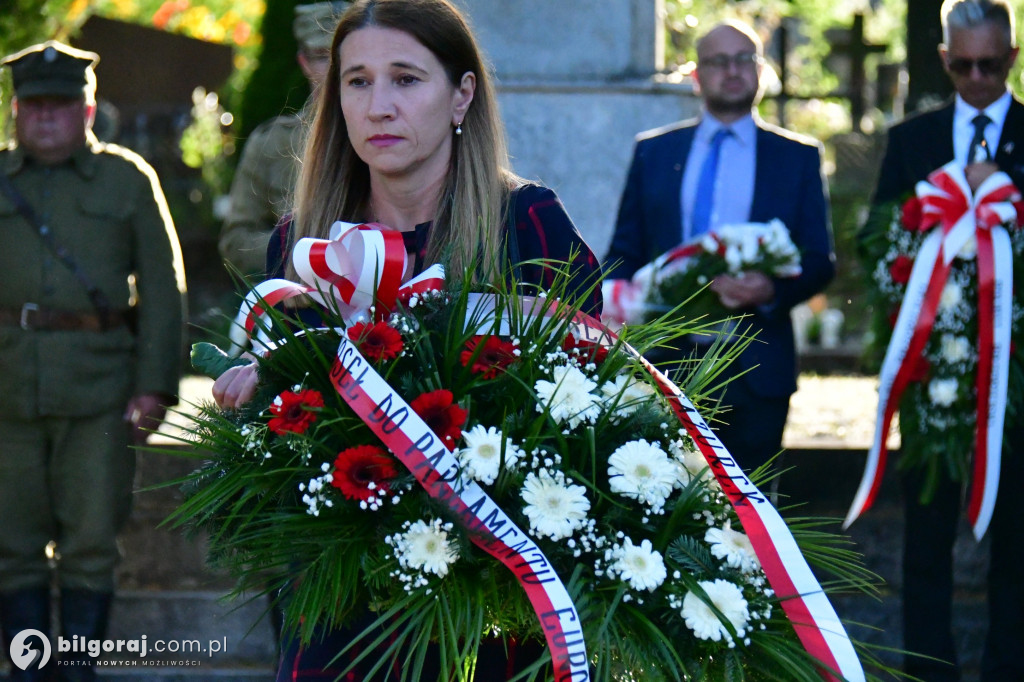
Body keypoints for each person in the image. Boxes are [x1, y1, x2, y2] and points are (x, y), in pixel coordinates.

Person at [212, 0, 601, 678]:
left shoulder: (530, 225)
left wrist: (533, 322)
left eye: (406, 79)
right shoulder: (301, 248)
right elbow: (281, 442)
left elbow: (599, 407)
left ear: (462, 95)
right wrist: (256, 387)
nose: (378, 106)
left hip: (494, 609)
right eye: (356, 82)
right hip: (343, 611)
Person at [0, 41, 186, 681]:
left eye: (62, 104)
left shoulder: (127, 179)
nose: (46, 117)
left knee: (89, 544)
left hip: (100, 393)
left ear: (88, 110)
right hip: (5, 394)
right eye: (34, 105)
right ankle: (29, 670)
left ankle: (76, 672)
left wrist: (155, 386)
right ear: (16, 111)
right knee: (11, 547)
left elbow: (162, 289)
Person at [866, 1, 1024, 679]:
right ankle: (929, 668)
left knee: (1016, 538)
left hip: (1016, 380)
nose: (978, 77)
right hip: (934, 371)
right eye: (963, 65)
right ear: (943, 59)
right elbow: (875, 238)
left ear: (1013, 58)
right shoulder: (914, 140)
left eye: (991, 64)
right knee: (926, 535)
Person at [603, 20, 835, 476]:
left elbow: (819, 261)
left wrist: (768, 291)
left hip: (755, 367)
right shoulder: (653, 152)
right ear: (696, 76)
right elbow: (625, 251)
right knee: (661, 507)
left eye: (744, 59)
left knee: (749, 522)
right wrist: (617, 305)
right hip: (666, 364)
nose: (732, 70)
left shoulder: (797, 156)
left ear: (761, 71)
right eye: (718, 61)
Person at [218, 1, 347, 278]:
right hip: (300, 302)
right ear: (304, 62)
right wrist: (302, 250)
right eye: (324, 56)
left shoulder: (387, 136)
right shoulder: (272, 144)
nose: (337, 69)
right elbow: (236, 242)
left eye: (344, 55)